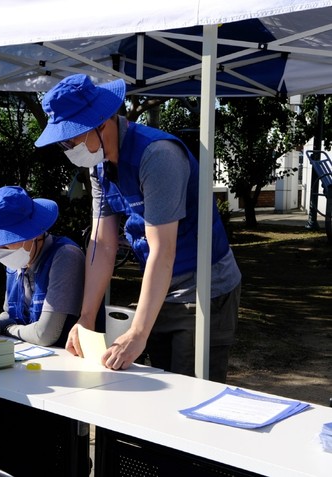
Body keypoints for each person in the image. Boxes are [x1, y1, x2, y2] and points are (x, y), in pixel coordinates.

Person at [34, 74, 241, 383]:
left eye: (70, 139)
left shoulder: (158, 156)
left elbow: (163, 250)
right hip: (162, 286)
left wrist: (138, 332)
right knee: (158, 383)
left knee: (190, 388)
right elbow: (102, 243)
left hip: (206, 289)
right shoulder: (99, 167)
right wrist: (86, 318)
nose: (67, 148)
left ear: (101, 123)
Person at [0, 185, 90, 347]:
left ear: (33, 233)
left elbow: (45, 334)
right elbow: (11, 315)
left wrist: (6, 328)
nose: (0, 249)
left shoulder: (65, 256)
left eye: (6, 240)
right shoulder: (18, 259)